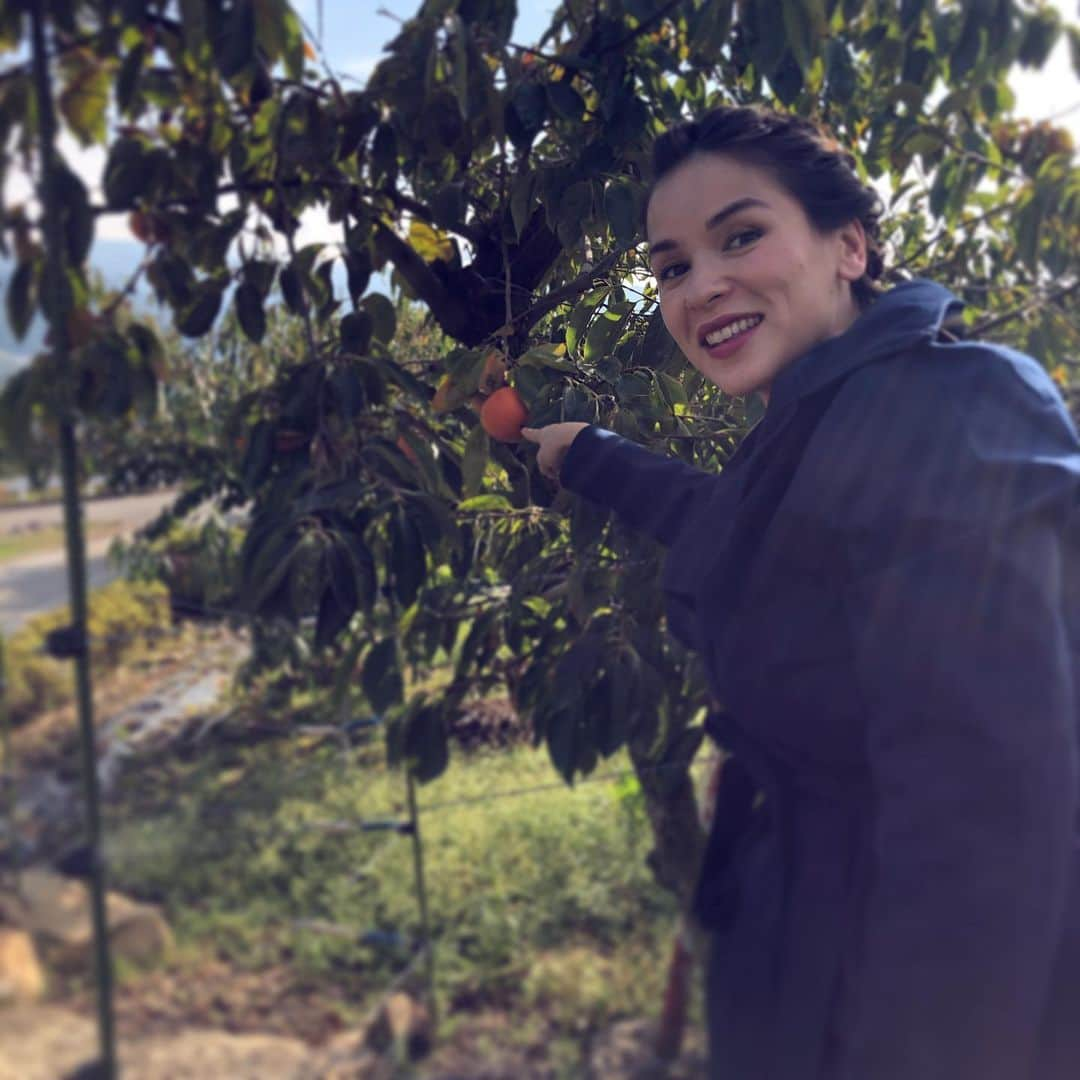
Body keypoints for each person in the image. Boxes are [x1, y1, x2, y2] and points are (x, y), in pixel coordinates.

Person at [521, 105, 1080, 1080]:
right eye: (672, 265)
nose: (703, 286)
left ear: (849, 246)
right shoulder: (830, 413)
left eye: (741, 235)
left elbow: (979, 836)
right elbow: (752, 532)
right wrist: (590, 457)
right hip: (802, 961)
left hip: (893, 1000)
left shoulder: (954, 413)